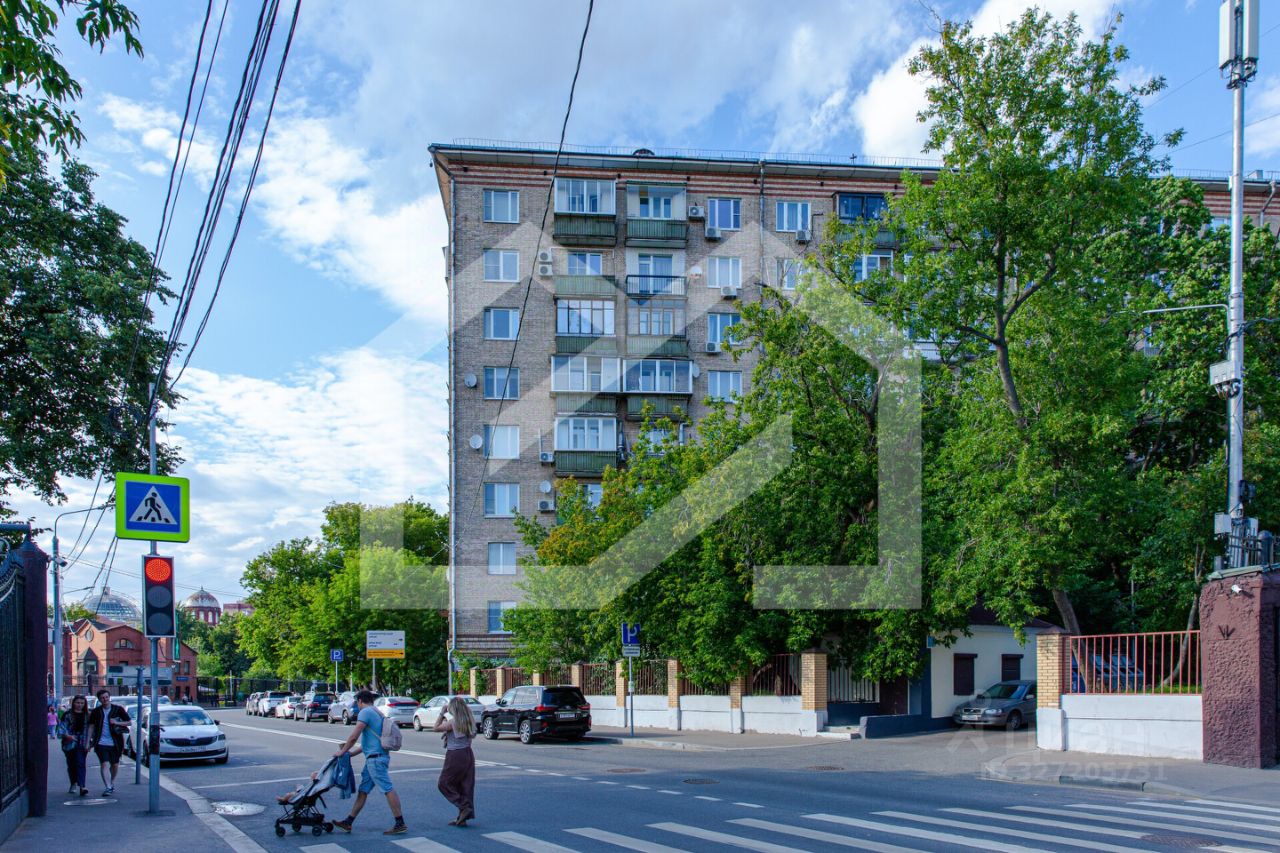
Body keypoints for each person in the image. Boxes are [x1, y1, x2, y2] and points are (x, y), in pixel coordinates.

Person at [331, 689, 406, 835]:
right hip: (376, 757)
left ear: (360, 701)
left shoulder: (365, 712)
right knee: (363, 790)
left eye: (357, 703)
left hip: (375, 760)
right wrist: (351, 754)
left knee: (387, 789)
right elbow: (368, 743)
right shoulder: (377, 712)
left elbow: (354, 736)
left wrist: (342, 751)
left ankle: (400, 823)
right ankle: (348, 822)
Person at [433, 696, 477, 827]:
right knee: (465, 785)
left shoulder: (453, 722)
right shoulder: (468, 720)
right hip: (468, 753)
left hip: (455, 755)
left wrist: (442, 712)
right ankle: (462, 817)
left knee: (443, 783)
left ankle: (464, 807)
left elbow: (436, 727)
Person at [88, 689, 131, 796]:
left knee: (115, 765)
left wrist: (117, 722)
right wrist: (88, 741)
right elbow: (91, 726)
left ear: (109, 697)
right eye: (102, 698)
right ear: (99, 700)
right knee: (104, 764)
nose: (105, 699)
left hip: (116, 742)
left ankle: (111, 783)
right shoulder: (96, 711)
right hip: (100, 742)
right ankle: (108, 786)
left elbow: (129, 722)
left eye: (106, 697)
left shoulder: (118, 709)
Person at [57, 695, 91, 796]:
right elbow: (61, 729)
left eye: (82, 703)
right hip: (69, 743)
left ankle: (82, 786)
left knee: (81, 763)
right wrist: (68, 736)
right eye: (77, 703)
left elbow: (91, 729)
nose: (79, 705)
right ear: (73, 703)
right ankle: (73, 782)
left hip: (83, 742)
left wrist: (89, 743)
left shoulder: (88, 715)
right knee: (71, 764)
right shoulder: (67, 715)